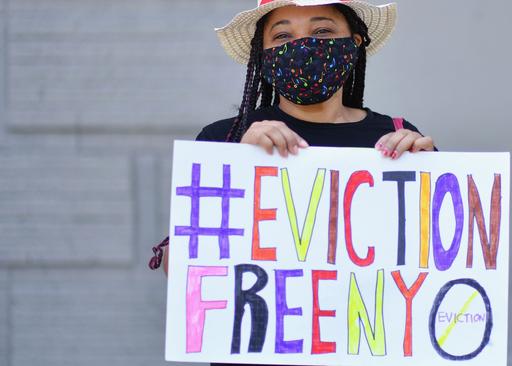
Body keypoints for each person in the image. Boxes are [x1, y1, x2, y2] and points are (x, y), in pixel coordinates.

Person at [149, 1, 437, 365]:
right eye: (283, 35)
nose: (303, 46)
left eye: (322, 32)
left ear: (355, 43)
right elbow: (178, 269)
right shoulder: (226, 138)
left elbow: (436, 264)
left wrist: (433, 176)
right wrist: (239, 165)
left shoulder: (399, 138)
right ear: (263, 55)